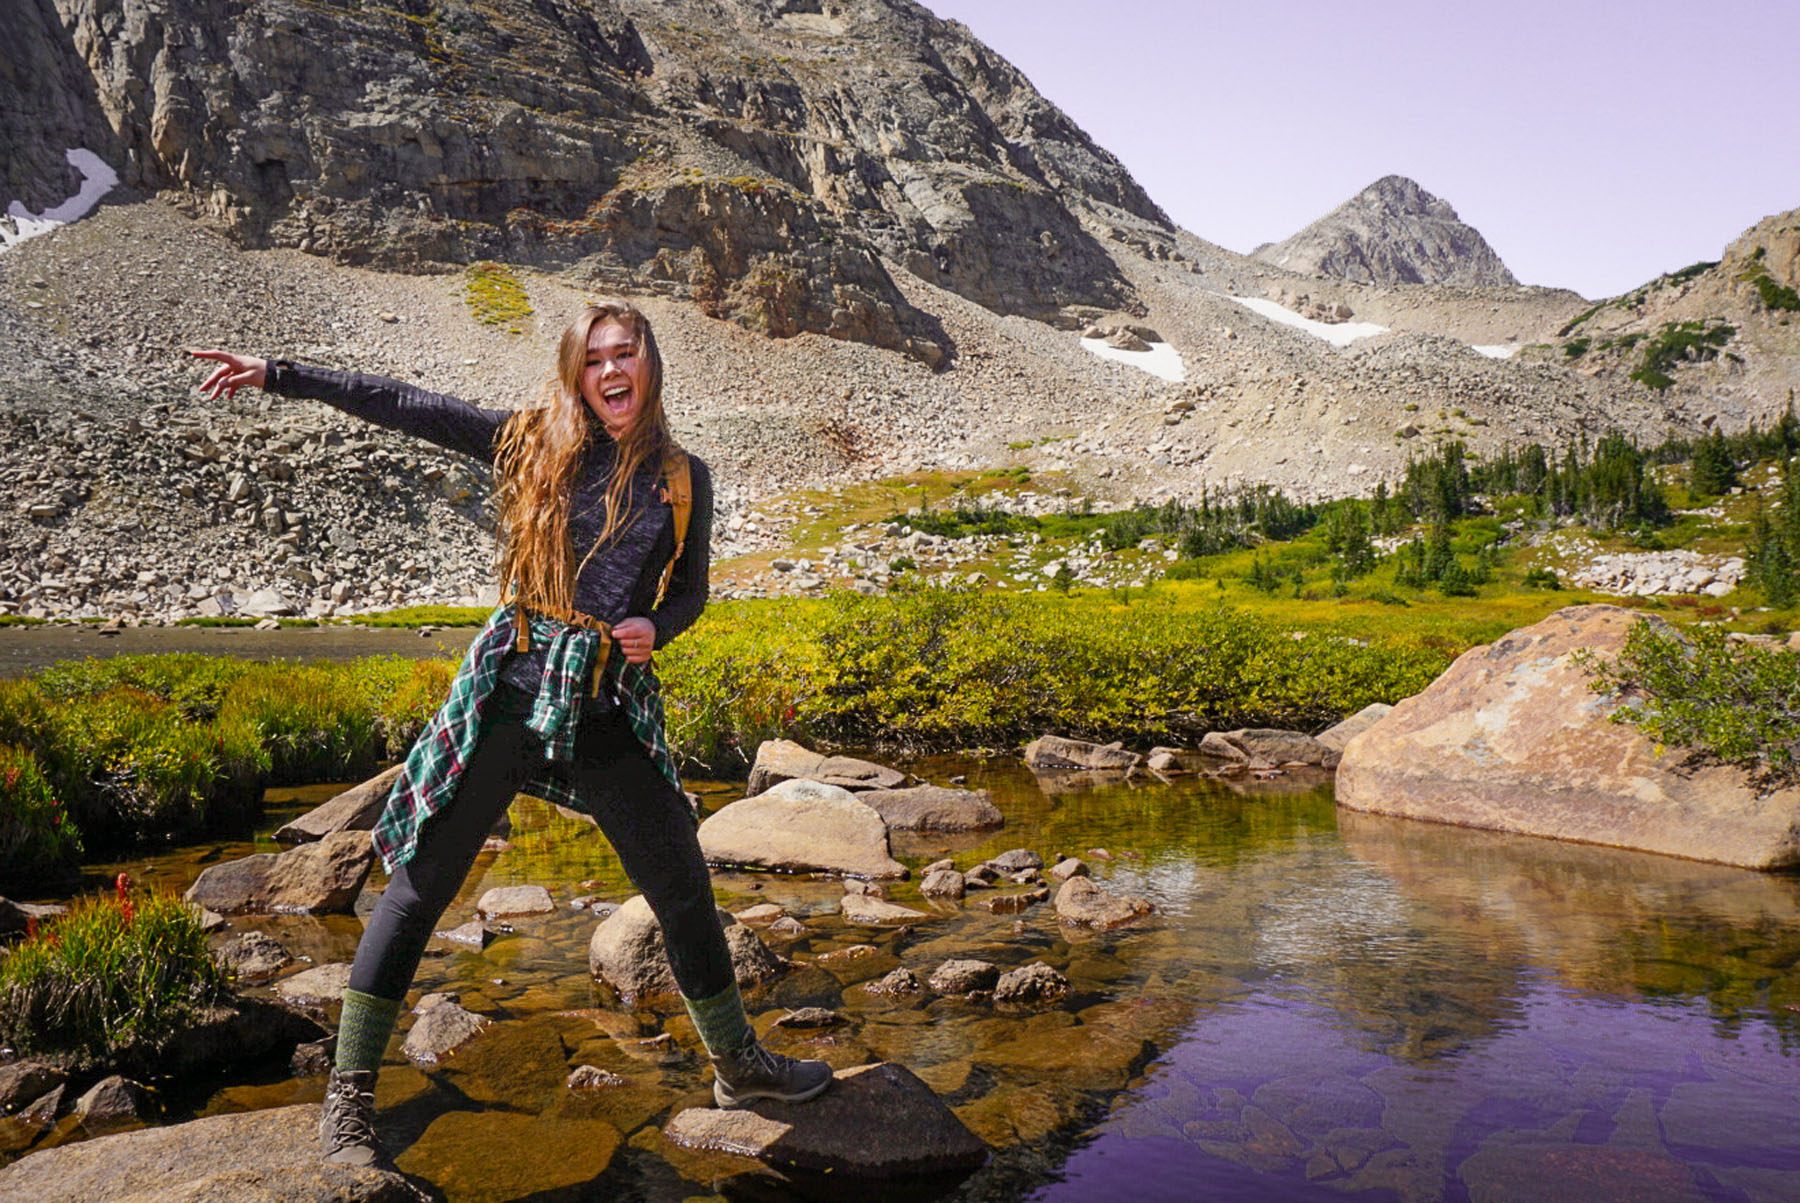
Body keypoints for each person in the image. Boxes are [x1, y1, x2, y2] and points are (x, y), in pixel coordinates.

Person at [190, 301, 831, 1168]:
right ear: (577, 372)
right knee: (420, 886)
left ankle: (737, 1067)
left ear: (650, 365)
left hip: (603, 701)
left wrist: (656, 629)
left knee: (680, 879)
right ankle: (347, 1098)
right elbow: (407, 402)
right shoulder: (532, 441)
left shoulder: (684, 477)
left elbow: (692, 593)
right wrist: (280, 373)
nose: (611, 370)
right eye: (595, 357)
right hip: (511, 695)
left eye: (626, 353)